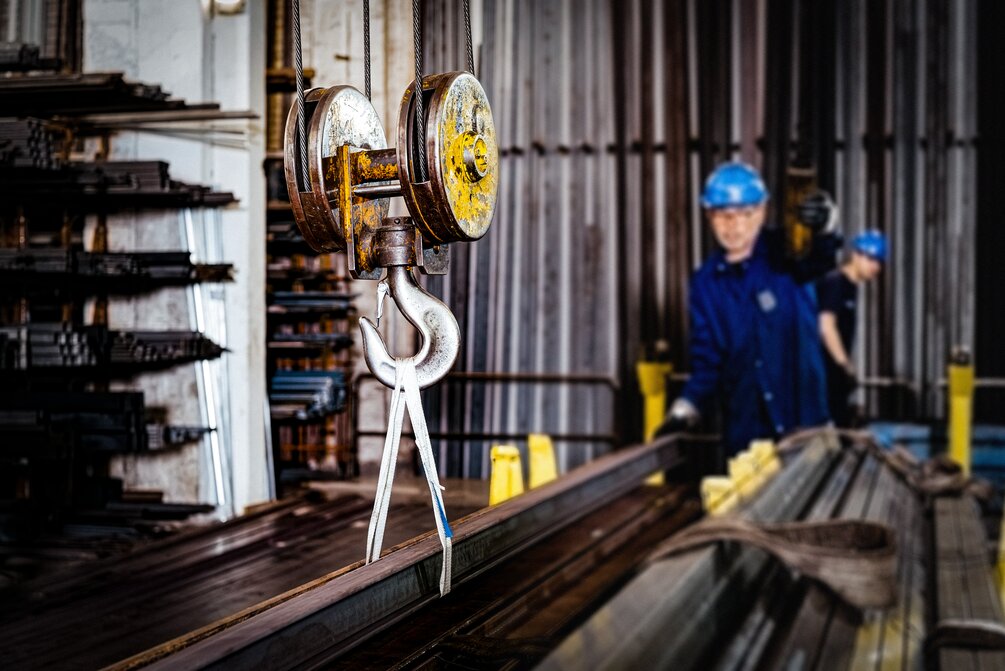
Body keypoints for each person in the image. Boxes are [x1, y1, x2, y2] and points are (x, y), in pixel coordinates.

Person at [657, 162, 840, 461]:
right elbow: (707, 360)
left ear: (763, 211)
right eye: (724, 215)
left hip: (806, 426)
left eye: (745, 214)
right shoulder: (705, 284)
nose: (735, 225)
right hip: (747, 436)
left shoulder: (788, 252)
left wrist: (826, 224)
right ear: (709, 216)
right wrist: (684, 410)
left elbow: (820, 258)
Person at [816, 229, 887, 427]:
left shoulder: (850, 287)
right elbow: (826, 326)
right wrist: (844, 365)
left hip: (833, 373)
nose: (875, 266)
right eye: (871, 259)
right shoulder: (836, 282)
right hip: (824, 372)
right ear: (855, 255)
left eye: (879, 261)